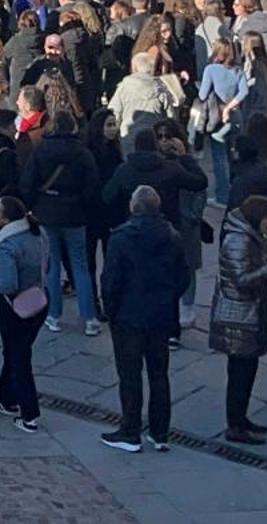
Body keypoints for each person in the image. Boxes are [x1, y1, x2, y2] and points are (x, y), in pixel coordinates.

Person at [99, 184, 187, 453]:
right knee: (159, 373)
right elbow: (183, 276)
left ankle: (130, 429)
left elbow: (111, 279)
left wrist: (110, 309)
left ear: (133, 207)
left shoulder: (122, 237)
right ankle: (160, 431)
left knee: (130, 374)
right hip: (160, 314)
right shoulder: (172, 235)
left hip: (129, 314)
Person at [210, 194, 267, 444]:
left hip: (249, 313)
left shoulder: (251, 236)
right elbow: (241, 279)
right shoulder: (238, 240)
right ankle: (235, 425)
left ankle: (240, 418)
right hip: (238, 317)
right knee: (239, 373)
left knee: (246, 370)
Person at [18, 108, 101, 335]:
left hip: (47, 212)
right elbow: (92, 185)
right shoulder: (82, 153)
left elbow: (27, 182)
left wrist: (34, 205)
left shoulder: (41, 150)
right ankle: (90, 318)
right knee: (80, 265)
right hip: (75, 213)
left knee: (51, 265)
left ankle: (54, 315)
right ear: (73, 127)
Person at [0, 193, 49, 434]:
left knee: (19, 357)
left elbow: (7, 284)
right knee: (14, 352)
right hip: (39, 299)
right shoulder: (39, 234)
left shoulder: (7, 245)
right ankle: (6, 397)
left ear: (6, 218)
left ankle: (29, 413)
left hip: (14, 307)